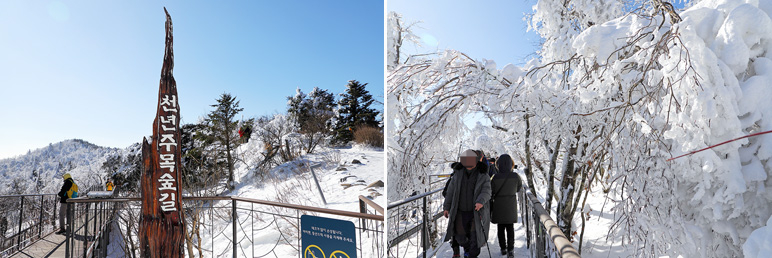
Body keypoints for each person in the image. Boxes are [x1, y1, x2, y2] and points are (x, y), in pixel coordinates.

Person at [443, 149, 492, 258]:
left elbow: (487, 191)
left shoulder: (483, 174)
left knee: (475, 238)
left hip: (476, 211)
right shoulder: (457, 174)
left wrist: (480, 201)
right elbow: (450, 192)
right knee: (460, 236)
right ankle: (468, 250)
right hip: (460, 211)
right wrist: (447, 207)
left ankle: (471, 254)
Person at [490, 154, 523, 257]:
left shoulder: (495, 177)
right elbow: (518, 188)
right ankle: (511, 250)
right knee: (510, 228)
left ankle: (503, 248)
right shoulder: (515, 176)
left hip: (499, 205)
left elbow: (492, 191)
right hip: (511, 205)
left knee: (500, 228)